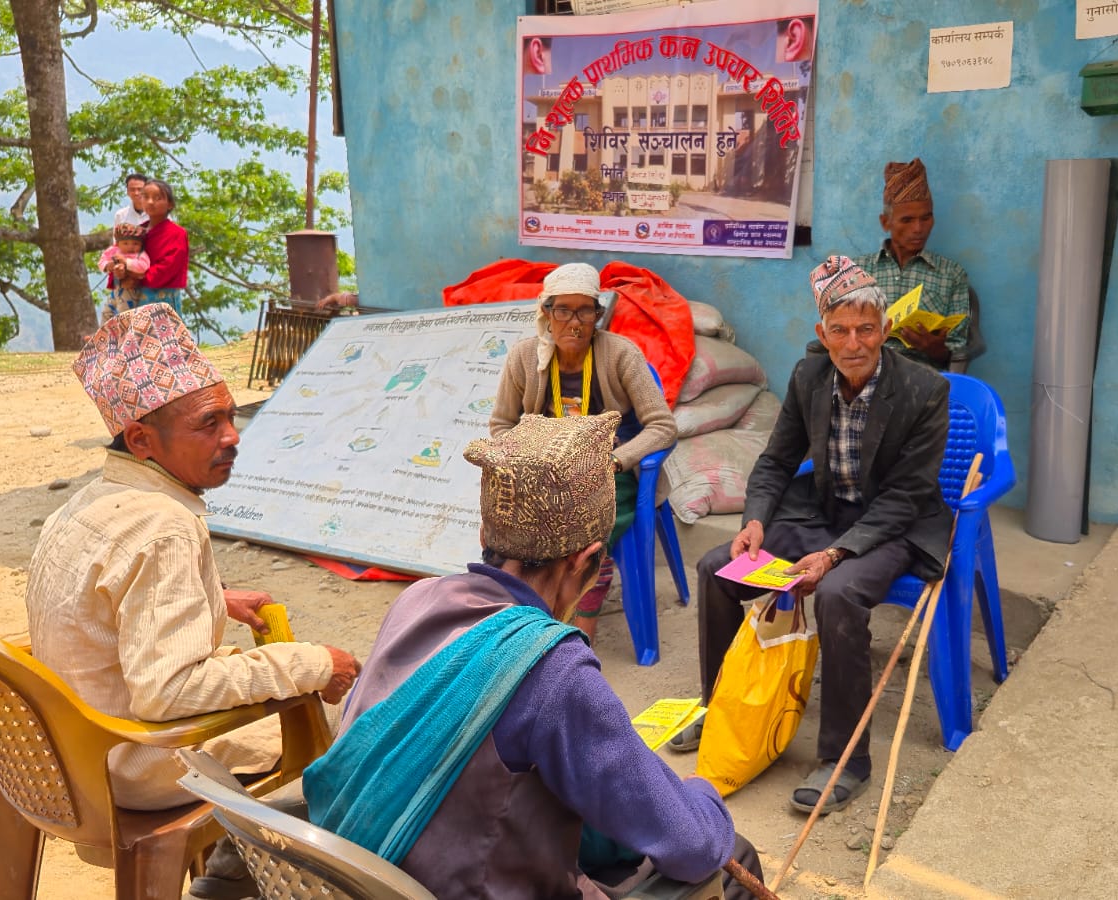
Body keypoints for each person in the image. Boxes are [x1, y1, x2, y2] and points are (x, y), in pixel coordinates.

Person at [306, 412, 762, 899]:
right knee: (730, 849)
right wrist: (701, 797)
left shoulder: (418, 599)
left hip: (367, 878)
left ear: (488, 536)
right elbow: (689, 846)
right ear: (584, 561)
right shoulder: (551, 668)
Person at [25, 304, 360, 894]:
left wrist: (215, 596)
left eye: (232, 418)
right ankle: (241, 882)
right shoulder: (166, 527)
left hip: (65, 753)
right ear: (141, 439)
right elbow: (168, 692)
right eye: (209, 425)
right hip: (134, 763)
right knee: (347, 754)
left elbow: (106, 593)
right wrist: (309, 664)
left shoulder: (87, 503)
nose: (233, 437)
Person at [669, 255, 951, 816]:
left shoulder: (925, 390)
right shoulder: (810, 376)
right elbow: (775, 462)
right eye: (840, 330)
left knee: (838, 593)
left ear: (885, 330)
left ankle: (846, 761)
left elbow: (904, 496)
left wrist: (836, 553)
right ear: (822, 334)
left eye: (866, 329)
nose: (854, 343)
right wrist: (754, 520)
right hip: (823, 510)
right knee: (718, 569)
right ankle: (722, 709)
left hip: (891, 523)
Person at [491, 262, 677, 644]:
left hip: (610, 470)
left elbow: (662, 425)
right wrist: (524, 460)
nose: (574, 323)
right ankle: (521, 623)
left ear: (598, 315)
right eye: (563, 310)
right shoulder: (524, 358)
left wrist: (615, 460)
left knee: (583, 529)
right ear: (546, 313)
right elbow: (501, 425)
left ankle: (577, 638)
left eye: (585, 311)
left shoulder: (620, 354)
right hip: (542, 470)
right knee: (506, 528)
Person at [857, 157, 984, 371]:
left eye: (926, 218)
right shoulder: (858, 272)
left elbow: (958, 348)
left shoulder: (951, 274)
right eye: (907, 220)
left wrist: (935, 349)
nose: (918, 228)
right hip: (865, 374)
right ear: (885, 222)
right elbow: (839, 334)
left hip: (921, 381)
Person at [116, 179, 189, 314]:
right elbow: (122, 254)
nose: (150, 202)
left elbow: (168, 267)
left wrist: (134, 274)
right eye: (146, 197)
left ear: (170, 204)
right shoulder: (138, 231)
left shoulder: (177, 233)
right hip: (133, 296)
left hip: (162, 298)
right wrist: (119, 270)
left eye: (157, 198)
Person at [98, 222, 151, 318]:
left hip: (130, 291)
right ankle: (105, 331)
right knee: (107, 312)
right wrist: (107, 266)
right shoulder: (113, 251)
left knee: (124, 313)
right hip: (116, 290)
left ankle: (124, 331)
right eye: (125, 243)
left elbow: (143, 266)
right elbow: (102, 260)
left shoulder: (140, 255)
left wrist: (126, 263)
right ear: (118, 244)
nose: (130, 247)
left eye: (135, 244)